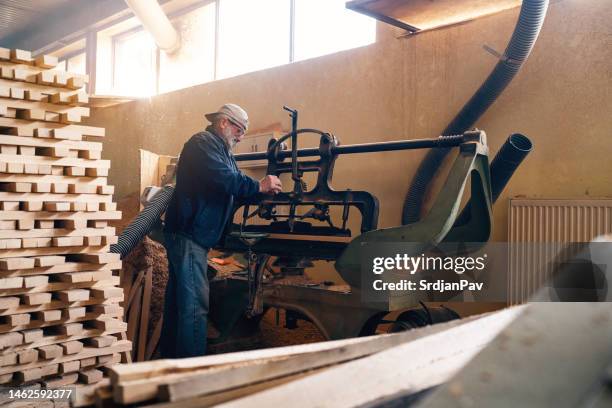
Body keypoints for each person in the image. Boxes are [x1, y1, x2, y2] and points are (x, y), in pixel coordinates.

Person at [161, 103, 282, 358]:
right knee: (195, 307)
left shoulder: (222, 151)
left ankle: (169, 365)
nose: (241, 136)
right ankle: (190, 372)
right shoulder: (203, 143)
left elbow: (230, 191)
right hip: (189, 234)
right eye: (239, 129)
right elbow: (226, 179)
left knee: (178, 305)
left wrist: (261, 196)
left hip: (193, 235)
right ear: (223, 122)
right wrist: (259, 185)